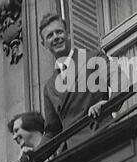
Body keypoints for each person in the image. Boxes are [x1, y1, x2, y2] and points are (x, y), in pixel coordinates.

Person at [39, 13, 126, 151]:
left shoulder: (93, 58)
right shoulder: (49, 87)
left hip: (102, 137)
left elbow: (119, 80)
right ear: (44, 44)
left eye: (59, 32)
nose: (56, 37)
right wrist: (33, 155)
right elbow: (52, 131)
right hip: (73, 153)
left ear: (68, 34)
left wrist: (109, 104)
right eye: (50, 35)